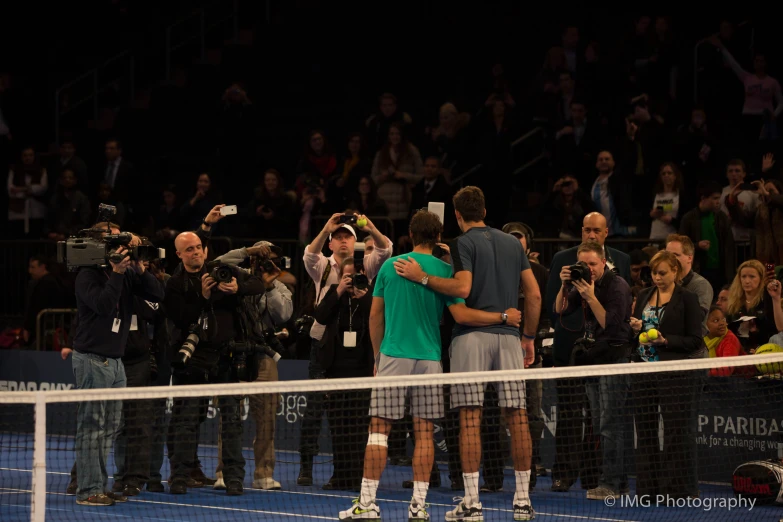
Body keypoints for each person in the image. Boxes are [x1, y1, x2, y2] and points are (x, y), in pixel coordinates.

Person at [340, 210, 523, 521]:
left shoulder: (390, 267)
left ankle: (367, 504)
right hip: (429, 360)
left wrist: (378, 357)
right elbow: (461, 314)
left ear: (411, 236)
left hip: (393, 357)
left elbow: (375, 317)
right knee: (425, 434)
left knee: (379, 433)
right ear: (439, 238)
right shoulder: (446, 271)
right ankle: (419, 506)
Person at [394, 188, 541, 521]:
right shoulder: (511, 243)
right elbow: (532, 295)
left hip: (471, 337)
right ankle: (522, 501)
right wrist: (528, 337)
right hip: (509, 338)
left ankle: (472, 503)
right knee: (517, 417)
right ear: (485, 210)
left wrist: (424, 276)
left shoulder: (462, 244)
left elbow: (462, 288)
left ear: (457, 216)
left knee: (470, 419)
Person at [164, 229, 266, 496]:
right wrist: (203, 297)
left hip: (227, 359)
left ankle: (234, 478)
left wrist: (237, 287)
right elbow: (179, 317)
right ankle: (179, 476)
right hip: (193, 362)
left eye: (198, 247)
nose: (195, 251)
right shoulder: (175, 283)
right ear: (179, 254)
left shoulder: (221, 269)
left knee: (232, 421)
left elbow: (258, 284)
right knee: (186, 421)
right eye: (189, 249)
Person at [72, 222, 164, 506]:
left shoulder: (124, 274)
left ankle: (100, 485)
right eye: (116, 241)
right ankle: (88, 490)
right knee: (92, 428)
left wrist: (139, 268)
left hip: (116, 362)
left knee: (110, 427)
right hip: (92, 359)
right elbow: (103, 305)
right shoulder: (87, 274)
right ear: (101, 244)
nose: (123, 246)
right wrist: (117, 273)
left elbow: (157, 295)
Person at [298, 213, 392, 485]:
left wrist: (369, 226)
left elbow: (385, 248)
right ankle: (307, 467)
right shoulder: (323, 267)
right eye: (337, 237)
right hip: (324, 347)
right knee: (316, 410)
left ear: (355, 243)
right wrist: (327, 226)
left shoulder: (367, 267)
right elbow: (308, 255)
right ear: (331, 244)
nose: (342, 241)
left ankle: (354, 472)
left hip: (357, 350)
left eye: (347, 237)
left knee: (355, 415)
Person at [554, 242, 632, 500]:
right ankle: (617, 483)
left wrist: (590, 297)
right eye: (583, 264)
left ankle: (610, 483)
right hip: (593, 359)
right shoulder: (582, 283)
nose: (588, 269)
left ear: (603, 261)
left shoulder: (617, 285)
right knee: (600, 424)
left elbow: (609, 324)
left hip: (614, 358)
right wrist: (564, 285)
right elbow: (561, 309)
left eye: (592, 264)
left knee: (611, 424)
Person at [630, 251, 705, 498]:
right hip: (644, 371)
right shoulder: (643, 296)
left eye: (662, 273)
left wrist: (665, 340)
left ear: (675, 271)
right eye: (654, 273)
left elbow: (695, 341)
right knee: (645, 430)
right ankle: (648, 489)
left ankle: (677, 490)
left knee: (676, 431)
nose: (657, 278)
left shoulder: (688, 298)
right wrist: (637, 327)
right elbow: (641, 333)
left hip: (675, 374)